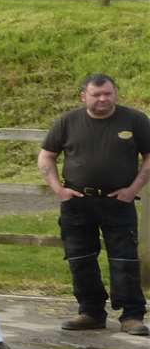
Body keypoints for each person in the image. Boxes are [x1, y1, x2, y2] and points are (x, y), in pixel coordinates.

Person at [38, 74, 150, 335]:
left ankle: (131, 316)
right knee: (80, 259)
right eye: (97, 94)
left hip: (118, 202)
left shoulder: (134, 119)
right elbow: (46, 156)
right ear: (83, 96)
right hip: (77, 203)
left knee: (125, 259)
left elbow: (148, 156)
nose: (103, 99)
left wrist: (133, 189)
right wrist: (59, 190)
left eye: (108, 93)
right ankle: (90, 312)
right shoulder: (67, 121)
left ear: (115, 93)